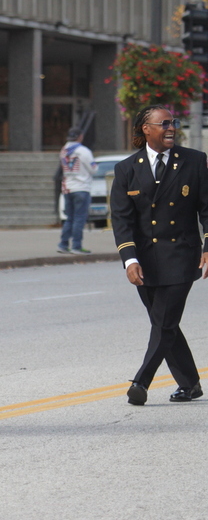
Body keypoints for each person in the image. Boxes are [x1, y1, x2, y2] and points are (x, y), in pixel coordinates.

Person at [110, 104, 208, 406]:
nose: (171, 128)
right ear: (146, 129)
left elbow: (207, 208)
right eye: (164, 123)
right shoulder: (127, 168)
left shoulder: (194, 161)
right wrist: (130, 260)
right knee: (165, 322)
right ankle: (190, 384)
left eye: (173, 123)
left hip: (182, 254)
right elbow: (122, 219)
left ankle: (142, 381)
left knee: (164, 322)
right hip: (146, 261)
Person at [57, 127, 96, 255]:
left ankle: (63, 244)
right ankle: (76, 246)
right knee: (79, 218)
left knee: (70, 218)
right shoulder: (83, 151)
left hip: (67, 187)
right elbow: (93, 169)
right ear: (80, 137)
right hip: (81, 187)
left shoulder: (63, 150)